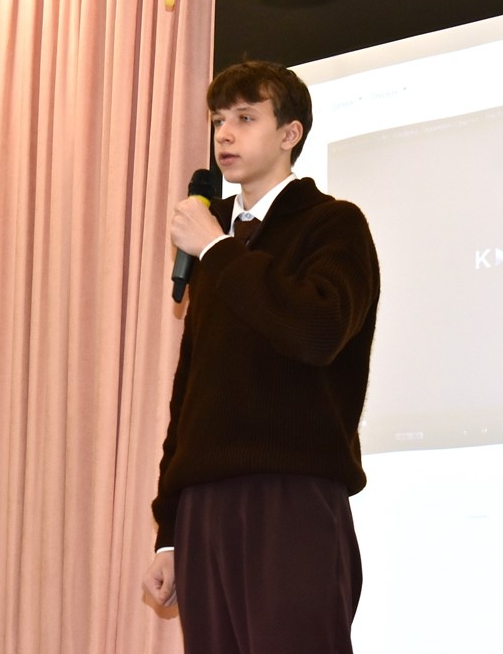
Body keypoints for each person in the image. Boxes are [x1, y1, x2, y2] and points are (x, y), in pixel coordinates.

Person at [142, 60, 381, 653]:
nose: (224, 134)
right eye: (218, 120)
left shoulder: (332, 225)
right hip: (204, 509)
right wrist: (170, 531)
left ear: (289, 133)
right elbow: (191, 393)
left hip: (290, 497)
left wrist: (217, 249)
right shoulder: (221, 241)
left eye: (246, 118)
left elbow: (317, 331)